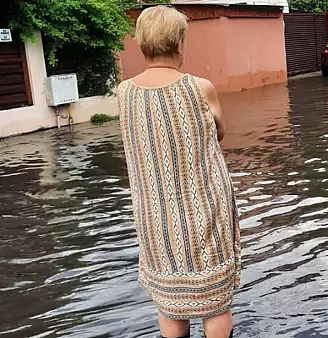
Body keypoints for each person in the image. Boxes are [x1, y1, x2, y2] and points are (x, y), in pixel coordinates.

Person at [116, 5, 241, 338]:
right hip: (203, 213)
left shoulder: (124, 93)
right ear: (179, 44)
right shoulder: (199, 88)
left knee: (169, 301)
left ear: (142, 44)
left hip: (155, 218)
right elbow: (220, 132)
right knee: (214, 302)